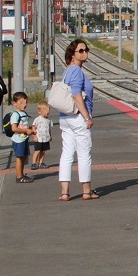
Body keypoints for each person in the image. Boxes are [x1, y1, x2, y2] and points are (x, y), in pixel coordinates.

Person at [58, 39, 99, 201]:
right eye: (81, 51)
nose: (85, 53)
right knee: (84, 154)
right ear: (73, 54)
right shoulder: (76, 71)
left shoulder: (68, 70)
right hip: (77, 117)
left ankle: (65, 192)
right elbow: (76, 95)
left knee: (67, 153)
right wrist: (87, 117)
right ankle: (86, 191)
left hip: (66, 117)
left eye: (86, 49)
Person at [5, 92, 37, 183]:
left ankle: (21, 174)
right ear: (15, 103)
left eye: (26, 102)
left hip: (24, 138)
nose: (24, 105)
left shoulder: (24, 113)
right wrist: (27, 131)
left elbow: (24, 125)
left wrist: (31, 129)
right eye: (21, 103)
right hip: (18, 140)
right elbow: (14, 128)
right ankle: (19, 176)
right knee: (19, 157)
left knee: (23, 157)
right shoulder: (15, 115)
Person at [29, 100, 52, 170]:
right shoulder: (37, 119)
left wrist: (50, 136)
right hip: (39, 138)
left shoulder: (48, 120)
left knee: (43, 151)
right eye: (45, 111)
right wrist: (34, 136)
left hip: (45, 138)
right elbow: (33, 128)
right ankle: (33, 163)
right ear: (40, 111)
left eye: (48, 111)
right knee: (37, 150)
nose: (47, 113)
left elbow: (49, 129)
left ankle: (41, 162)